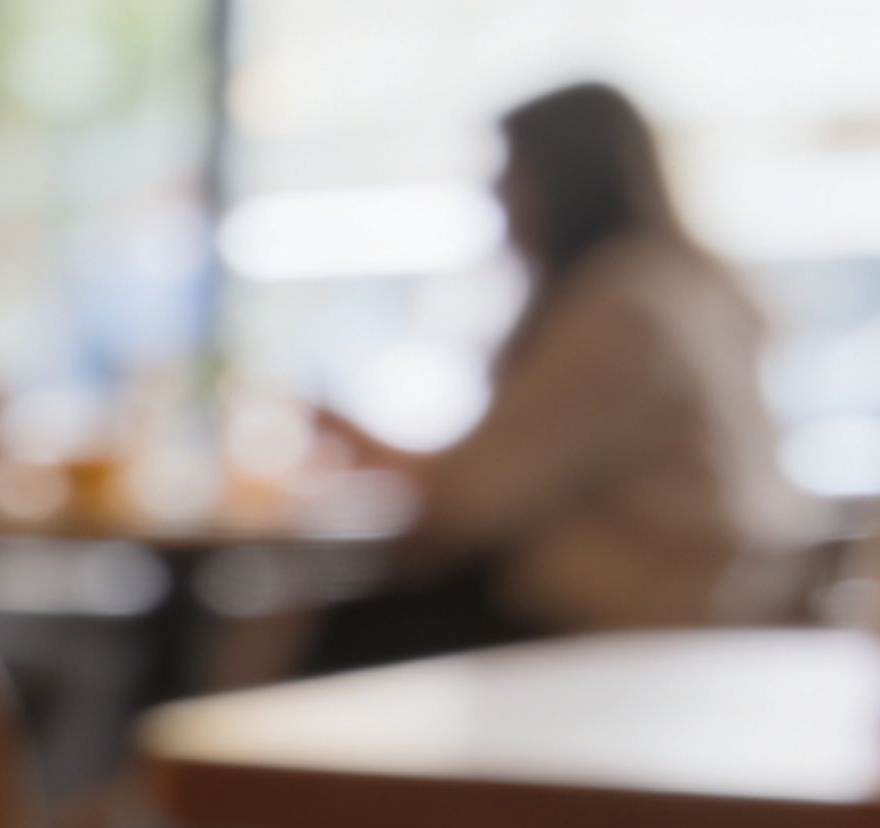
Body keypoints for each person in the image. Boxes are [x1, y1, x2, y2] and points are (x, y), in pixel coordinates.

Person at [304, 82, 809, 672]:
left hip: (625, 618)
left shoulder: (618, 311)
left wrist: (354, 438)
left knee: (344, 634)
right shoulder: (688, 290)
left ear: (561, 180)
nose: (495, 193)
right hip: (721, 605)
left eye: (511, 170)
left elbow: (464, 507)